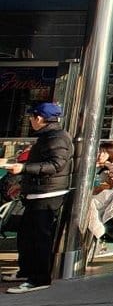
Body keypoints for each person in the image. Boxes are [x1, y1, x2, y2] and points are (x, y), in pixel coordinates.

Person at [3, 102, 72, 294]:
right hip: (37, 191)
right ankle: (27, 271)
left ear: (39, 118)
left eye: (32, 117)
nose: (31, 121)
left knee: (39, 238)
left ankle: (39, 278)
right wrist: (23, 183)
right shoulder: (47, 136)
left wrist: (23, 168)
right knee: (26, 236)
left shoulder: (57, 137)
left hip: (48, 194)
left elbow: (55, 165)